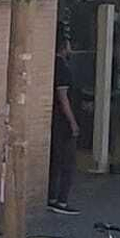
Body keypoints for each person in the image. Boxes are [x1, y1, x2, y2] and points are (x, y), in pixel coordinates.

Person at [48, 31, 79, 215]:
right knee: (68, 163)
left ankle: (51, 197)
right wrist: (73, 122)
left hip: (54, 121)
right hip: (63, 123)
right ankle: (62, 200)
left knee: (56, 160)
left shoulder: (51, 65)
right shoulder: (63, 69)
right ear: (64, 46)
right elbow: (63, 98)